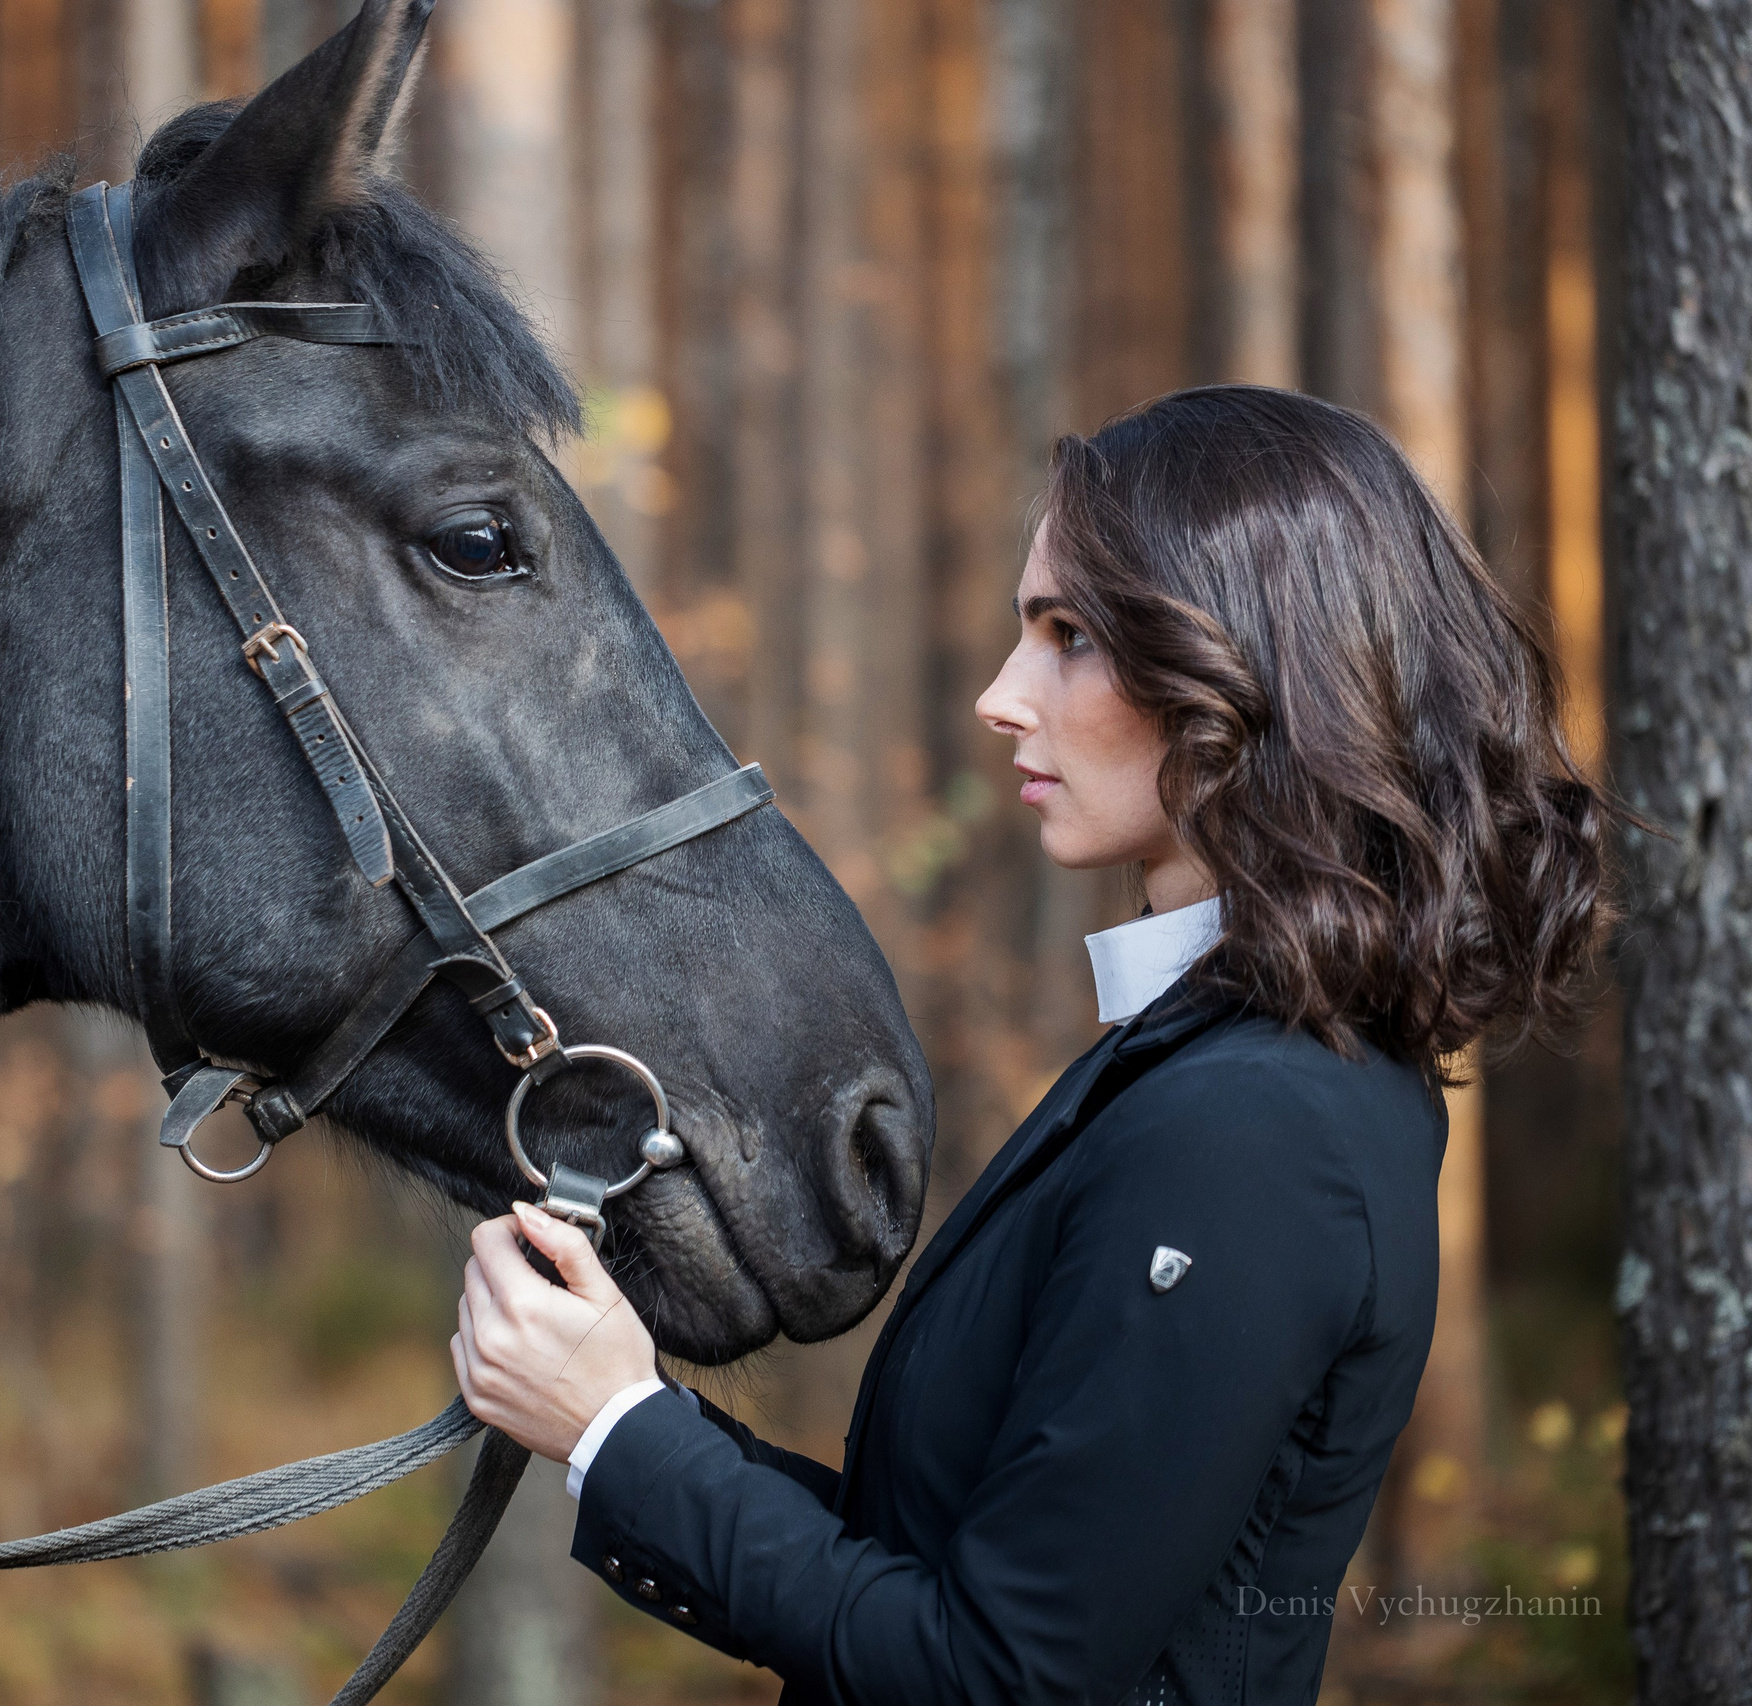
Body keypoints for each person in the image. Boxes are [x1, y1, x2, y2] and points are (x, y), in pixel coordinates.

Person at [450, 385, 1616, 1705]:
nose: (1004, 697)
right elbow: (956, 1557)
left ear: (1242, 664)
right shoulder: (1221, 1063)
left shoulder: (1260, 1126)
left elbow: (1001, 1674)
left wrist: (619, 1431)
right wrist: (614, 1399)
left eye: (1068, 635)